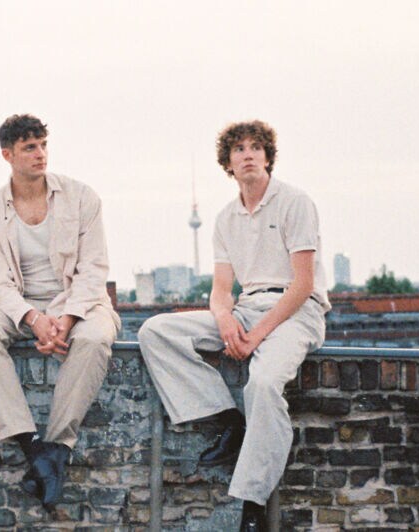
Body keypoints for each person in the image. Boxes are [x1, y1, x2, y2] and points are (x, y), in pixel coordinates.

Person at [138, 120, 330, 531]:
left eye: (255, 148)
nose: (247, 154)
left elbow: (304, 284)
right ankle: (227, 418)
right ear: (227, 162)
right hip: (247, 308)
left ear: (267, 156)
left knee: (261, 383)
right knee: (155, 331)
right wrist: (226, 321)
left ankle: (251, 502)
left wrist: (257, 336)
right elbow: (222, 288)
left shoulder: (295, 202)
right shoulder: (226, 218)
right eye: (239, 149)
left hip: (296, 311)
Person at [0, 114, 121, 509]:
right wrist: (33, 319)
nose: (40, 154)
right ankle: (30, 444)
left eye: (43, 145)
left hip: (80, 301)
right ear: (7, 154)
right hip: (20, 304)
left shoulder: (82, 197)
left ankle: (57, 447)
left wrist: (64, 319)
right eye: (30, 147)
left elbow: (94, 269)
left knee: (97, 338)